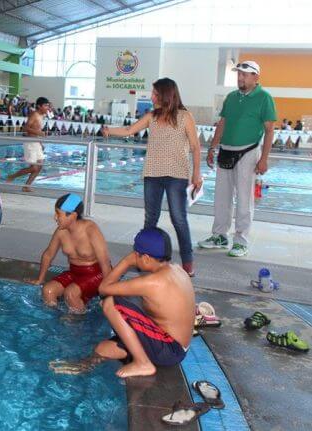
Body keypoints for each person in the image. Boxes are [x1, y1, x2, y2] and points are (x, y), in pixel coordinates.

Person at [50, 228, 195, 378]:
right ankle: (83, 367)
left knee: (111, 303)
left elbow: (104, 289)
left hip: (168, 350)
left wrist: (126, 262)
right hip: (174, 347)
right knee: (103, 349)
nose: (133, 257)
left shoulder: (152, 282)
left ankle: (142, 363)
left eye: (135, 254)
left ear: (145, 258)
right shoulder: (177, 270)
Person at [104, 78, 202, 276]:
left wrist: (196, 173)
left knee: (179, 219)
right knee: (150, 219)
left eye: (155, 93)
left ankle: (187, 262)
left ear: (166, 95)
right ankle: (144, 258)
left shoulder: (185, 116)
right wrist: (108, 130)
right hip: (152, 174)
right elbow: (129, 130)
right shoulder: (152, 116)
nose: (151, 96)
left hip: (177, 175)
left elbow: (195, 146)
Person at [198, 61, 276, 257]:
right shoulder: (231, 97)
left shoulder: (264, 98)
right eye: (239, 74)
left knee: (244, 199)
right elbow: (222, 124)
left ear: (255, 77)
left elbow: (269, 130)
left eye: (245, 75)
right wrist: (212, 147)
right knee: (221, 198)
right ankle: (219, 236)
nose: (240, 78)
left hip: (248, 152)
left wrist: (264, 159)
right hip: (225, 150)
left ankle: (241, 241)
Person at [26, 194, 111, 313]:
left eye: (58, 214)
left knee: (70, 294)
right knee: (48, 290)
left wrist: (108, 292)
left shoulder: (90, 229)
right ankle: (53, 321)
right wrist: (40, 279)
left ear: (72, 215)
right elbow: (48, 254)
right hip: (74, 272)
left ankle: (77, 324)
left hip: (97, 273)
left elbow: (105, 261)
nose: (55, 217)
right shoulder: (61, 231)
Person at [6, 96, 50, 192]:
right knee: (34, 168)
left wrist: (40, 143)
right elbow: (25, 128)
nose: (47, 108)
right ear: (39, 106)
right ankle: (12, 176)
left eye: (48, 105)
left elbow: (38, 130)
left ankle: (27, 186)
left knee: (40, 166)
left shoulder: (42, 116)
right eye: (46, 105)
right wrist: (40, 134)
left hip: (36, 142)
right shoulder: (34, 114)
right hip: (30, 143)